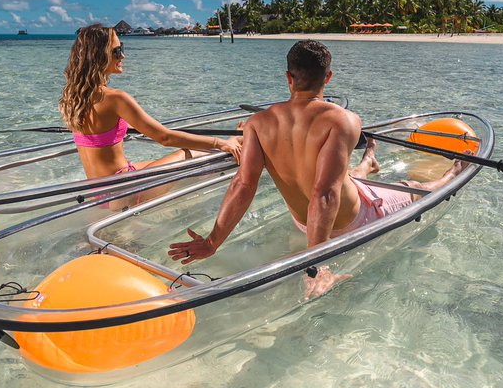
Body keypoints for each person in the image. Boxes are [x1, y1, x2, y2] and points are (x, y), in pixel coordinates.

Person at [167, 39, 464, 299]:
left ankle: (367, 163)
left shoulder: (257, 123)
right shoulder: (343, 120)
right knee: (414, 190)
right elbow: (324, 193)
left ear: (288, 78)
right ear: (328, 78)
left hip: (306, 223)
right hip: (348, 221)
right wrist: (318, 266)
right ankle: (451, 174)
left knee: (344, 179)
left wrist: (212, 241)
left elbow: (244, 185)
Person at [59, 24, 242, 178]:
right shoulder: (115, 98)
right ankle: (236, 142)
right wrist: (220, 143)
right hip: (125, 190)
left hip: (98, 192)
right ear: (99, 56)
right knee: (192, 153)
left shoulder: (73, 98)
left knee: (156, 163)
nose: (123, 56)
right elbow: (165, 137)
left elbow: (101, 133)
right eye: (117, 51)